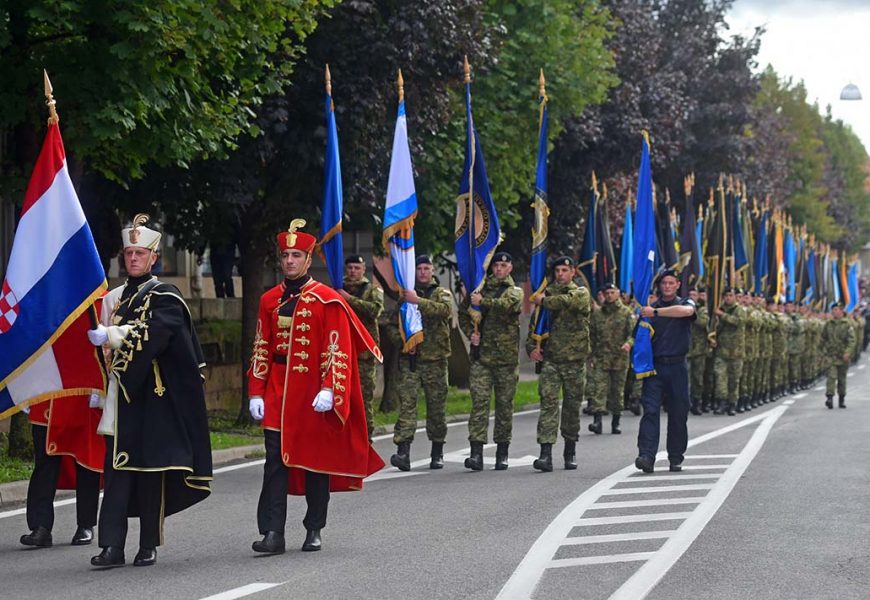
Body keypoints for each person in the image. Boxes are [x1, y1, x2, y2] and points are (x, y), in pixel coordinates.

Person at [247, 219, 384, 555]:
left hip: (312, 394)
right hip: (278, 392)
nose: (290, 261)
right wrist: (255, 391)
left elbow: (337, 349)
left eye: (296, 255)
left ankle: (314, 527)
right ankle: (273, 533)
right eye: (286, 255)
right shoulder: (268, 300)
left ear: (309, 260)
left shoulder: (327, 300)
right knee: (275, 463)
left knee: (314, 463)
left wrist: (330, 389)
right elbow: (261, 345)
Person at [87, 214, 213, 568]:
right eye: (129, 253)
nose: (133, 259)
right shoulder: (112, 298)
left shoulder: (166, 296)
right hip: (119, 395)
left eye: (140, 253)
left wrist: (113, 334)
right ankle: (111, 545)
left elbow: (157, 332)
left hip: (151, 397)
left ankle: (148, 543)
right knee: (115, 473)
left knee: (149, 474)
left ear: (153, 257)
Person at [458, 251, 522, 470]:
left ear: (510, 268)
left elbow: (507, 305)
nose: (499, 269)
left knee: (504, 406)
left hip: (506, 360)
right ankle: (476, 453)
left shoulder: (514, 291)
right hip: (481, 359)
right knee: (479, 405)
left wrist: (481, 301)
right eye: (496, 265)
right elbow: (463, 313)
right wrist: (470, 333)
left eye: (504, 265)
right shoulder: (479, 290)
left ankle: (502, 452)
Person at [527, 256, 591, 471]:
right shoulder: (545, 293)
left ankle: (570, 450)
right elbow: (535, 326)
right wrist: (531, 348)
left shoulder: (580, 293)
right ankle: (545, 454)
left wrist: (543, 301)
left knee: (572, 408)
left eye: (565, 270)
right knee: (548, 406)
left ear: (573, 272)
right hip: (551, 361)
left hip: (574, 362)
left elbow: (568, 302)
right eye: (558, 270)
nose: (561, 274)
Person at [389, 255, 453, 471]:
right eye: (419, 269)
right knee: (407, 406)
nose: (423, 272)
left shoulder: (441, 293)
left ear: (433, 270)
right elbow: (391, 325)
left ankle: (437, 451)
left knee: (436, 408)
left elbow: (445, 311)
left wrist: (418, 301)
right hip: (411, 361)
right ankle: (403, 452)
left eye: (427, 268)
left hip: (435, 360)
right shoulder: (404, 296)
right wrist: (404, 342)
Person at [20, 389, 103, 548]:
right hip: (47, 394)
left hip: (81, 395)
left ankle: (85, 524)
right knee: (44, 463)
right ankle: (41, 526)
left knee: (85, 462)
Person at [634, 269, 697, 474]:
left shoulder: (685, 303)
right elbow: (639, 335)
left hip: (678, 366)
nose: (667, 286)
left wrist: (656, 313)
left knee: (678, 413)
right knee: (650, 411)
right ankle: (646, 456)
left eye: (671, 283)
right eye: (664, 283)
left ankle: (675, 457)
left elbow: (687, 312)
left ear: (678, 285)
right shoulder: (649, 308)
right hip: (656, 367)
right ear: (659, 286)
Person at [337, 255, 384, 440]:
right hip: (340, 352)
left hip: (364, 354)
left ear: (364, 269)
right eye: (350, 267)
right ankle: (343, 437)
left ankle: (365, 437)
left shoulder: (372, 290)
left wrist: (348, 299)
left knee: (364, 399)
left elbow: (375, 311)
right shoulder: (335, 289)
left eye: (357, 268)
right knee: (341, 397)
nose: (353, 271)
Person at [588, 283, 633, 434]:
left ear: (618, 293)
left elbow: (633, 333)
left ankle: (616, 421)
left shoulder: (626, 313)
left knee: (617, 391)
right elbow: (592, 335)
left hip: (619, 358)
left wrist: (628, 343)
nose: (609, 295)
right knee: (598, 389)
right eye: (606, 293)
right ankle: (597, 421)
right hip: (601, 357)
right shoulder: (598, 314)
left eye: (612, 292)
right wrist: (590, 356)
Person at [713, 287, 746, 416]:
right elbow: (715, 327)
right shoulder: (719, 309)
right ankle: (721, 403)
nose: (728, 298)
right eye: (726, 295)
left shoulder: (739, 310)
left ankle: (732, 404)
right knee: (720, 378)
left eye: (730, 295)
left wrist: (722, 315)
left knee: (734, 379)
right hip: (722, 351)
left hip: (736, 351)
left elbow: (738, 322)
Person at [821, 302, 856, 409]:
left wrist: (848, 352)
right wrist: (822, 353)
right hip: (831, 356)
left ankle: (841, 399)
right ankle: (829, 398)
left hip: (843, 356)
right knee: (831, 377)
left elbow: (852, 340)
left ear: (841, 311)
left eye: (837, 309)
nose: (834, 311)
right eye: (833, 309)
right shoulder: (828, 324)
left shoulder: (847, 324)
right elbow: (823, 339)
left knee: (841, 379)